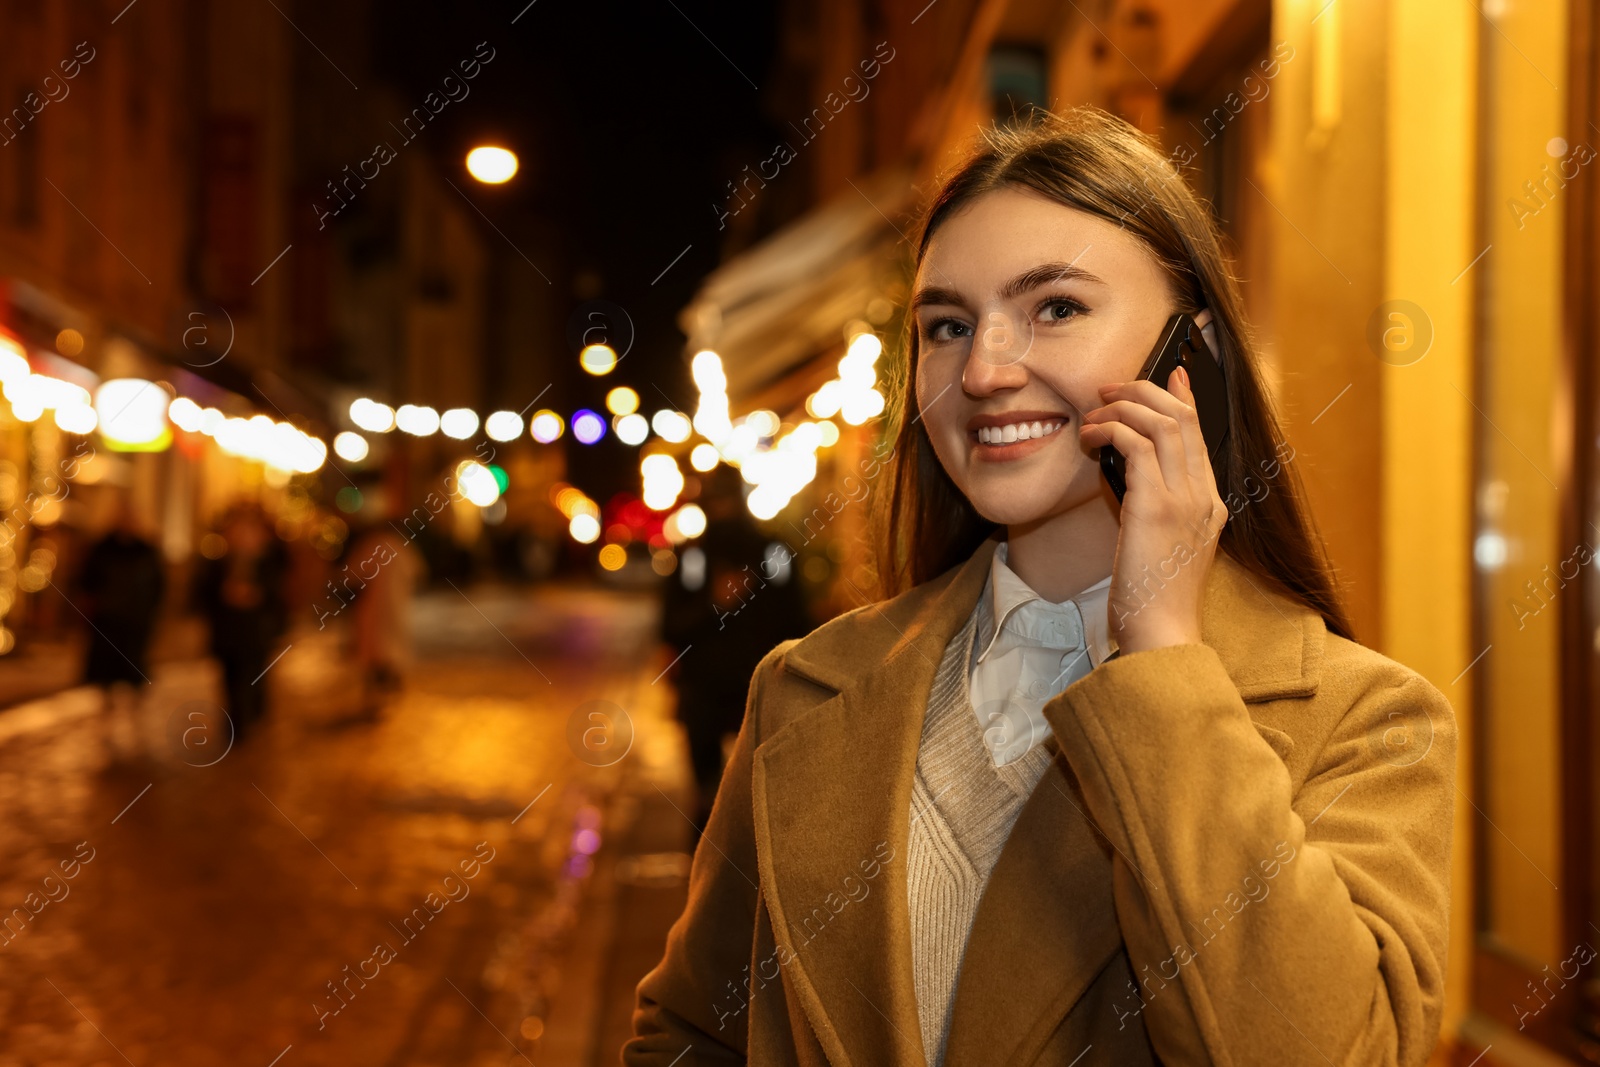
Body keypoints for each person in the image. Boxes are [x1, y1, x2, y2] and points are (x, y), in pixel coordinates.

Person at [628, 109, 1455, 1066]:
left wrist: (1163, 653)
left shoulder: (1370, 722)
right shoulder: (803, 685)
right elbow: (689, 1033)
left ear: (1194, 357)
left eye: (1055, 308)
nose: (982, 370)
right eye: (947, 325)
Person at [79, 498, 165, 760]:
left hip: (135, 622)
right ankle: (106, 721)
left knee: (134, 671)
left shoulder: (146, 549)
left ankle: (136, 722)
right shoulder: (102, 547)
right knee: (106, 674)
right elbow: (87, 581)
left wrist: (150, 613)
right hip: (107, 620)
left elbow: (158, 585)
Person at [197, 503, 289, 743]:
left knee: (252, 677)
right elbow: (200, 594)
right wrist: (224, 594)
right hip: (227, 633)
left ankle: (248, 721)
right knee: (230, 679)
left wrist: (255, 596)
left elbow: (277, 596)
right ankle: (237, 723)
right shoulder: (218, 561)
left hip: (256, 633)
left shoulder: (269, 561)